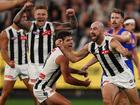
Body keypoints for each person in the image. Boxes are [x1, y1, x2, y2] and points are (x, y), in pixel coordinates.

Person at [58, 21, 140, 105]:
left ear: (102, 31)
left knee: (135, 103)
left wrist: (127, 54)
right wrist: (62, 48)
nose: (91, 31)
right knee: (107, 102)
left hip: (124, 75)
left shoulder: (111, 42)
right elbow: (74, 58)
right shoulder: (91, 46)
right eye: (90, 29)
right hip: (108, 77)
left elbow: (125, 52)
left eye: (95, 29)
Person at [13, 2, 78, 86]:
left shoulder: (52, 26)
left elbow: (73, 26)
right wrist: (23, 8)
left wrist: (72, 16)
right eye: (38, 14)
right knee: (37, 94)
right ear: (34, 15)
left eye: (43, 14)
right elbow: (16, 21)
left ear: (47, 16)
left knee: (49, 91)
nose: (41, 16)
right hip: (34, 66)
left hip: (48, 65)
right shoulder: (29, 25)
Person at [33, 31, 90, 105]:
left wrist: (78, 72)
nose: (71, 42)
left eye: (71, 39)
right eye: (68, 40)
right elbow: (67, 79)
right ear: (61, 42)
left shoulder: (56, 50)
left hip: (41, 86)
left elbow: (63, 68)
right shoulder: (62, 57)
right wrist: (84, 83)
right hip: (43, 88)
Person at [0, 11, 36, 105]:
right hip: (12, 66)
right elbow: (3, 50)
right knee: (5, 94)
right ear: (16, 17)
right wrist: (8, 62)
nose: (25, 19)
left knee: (36, 93)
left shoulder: (26, 31)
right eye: (23, 17)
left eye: (26, 17)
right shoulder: (6, 32)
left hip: (25, 66)